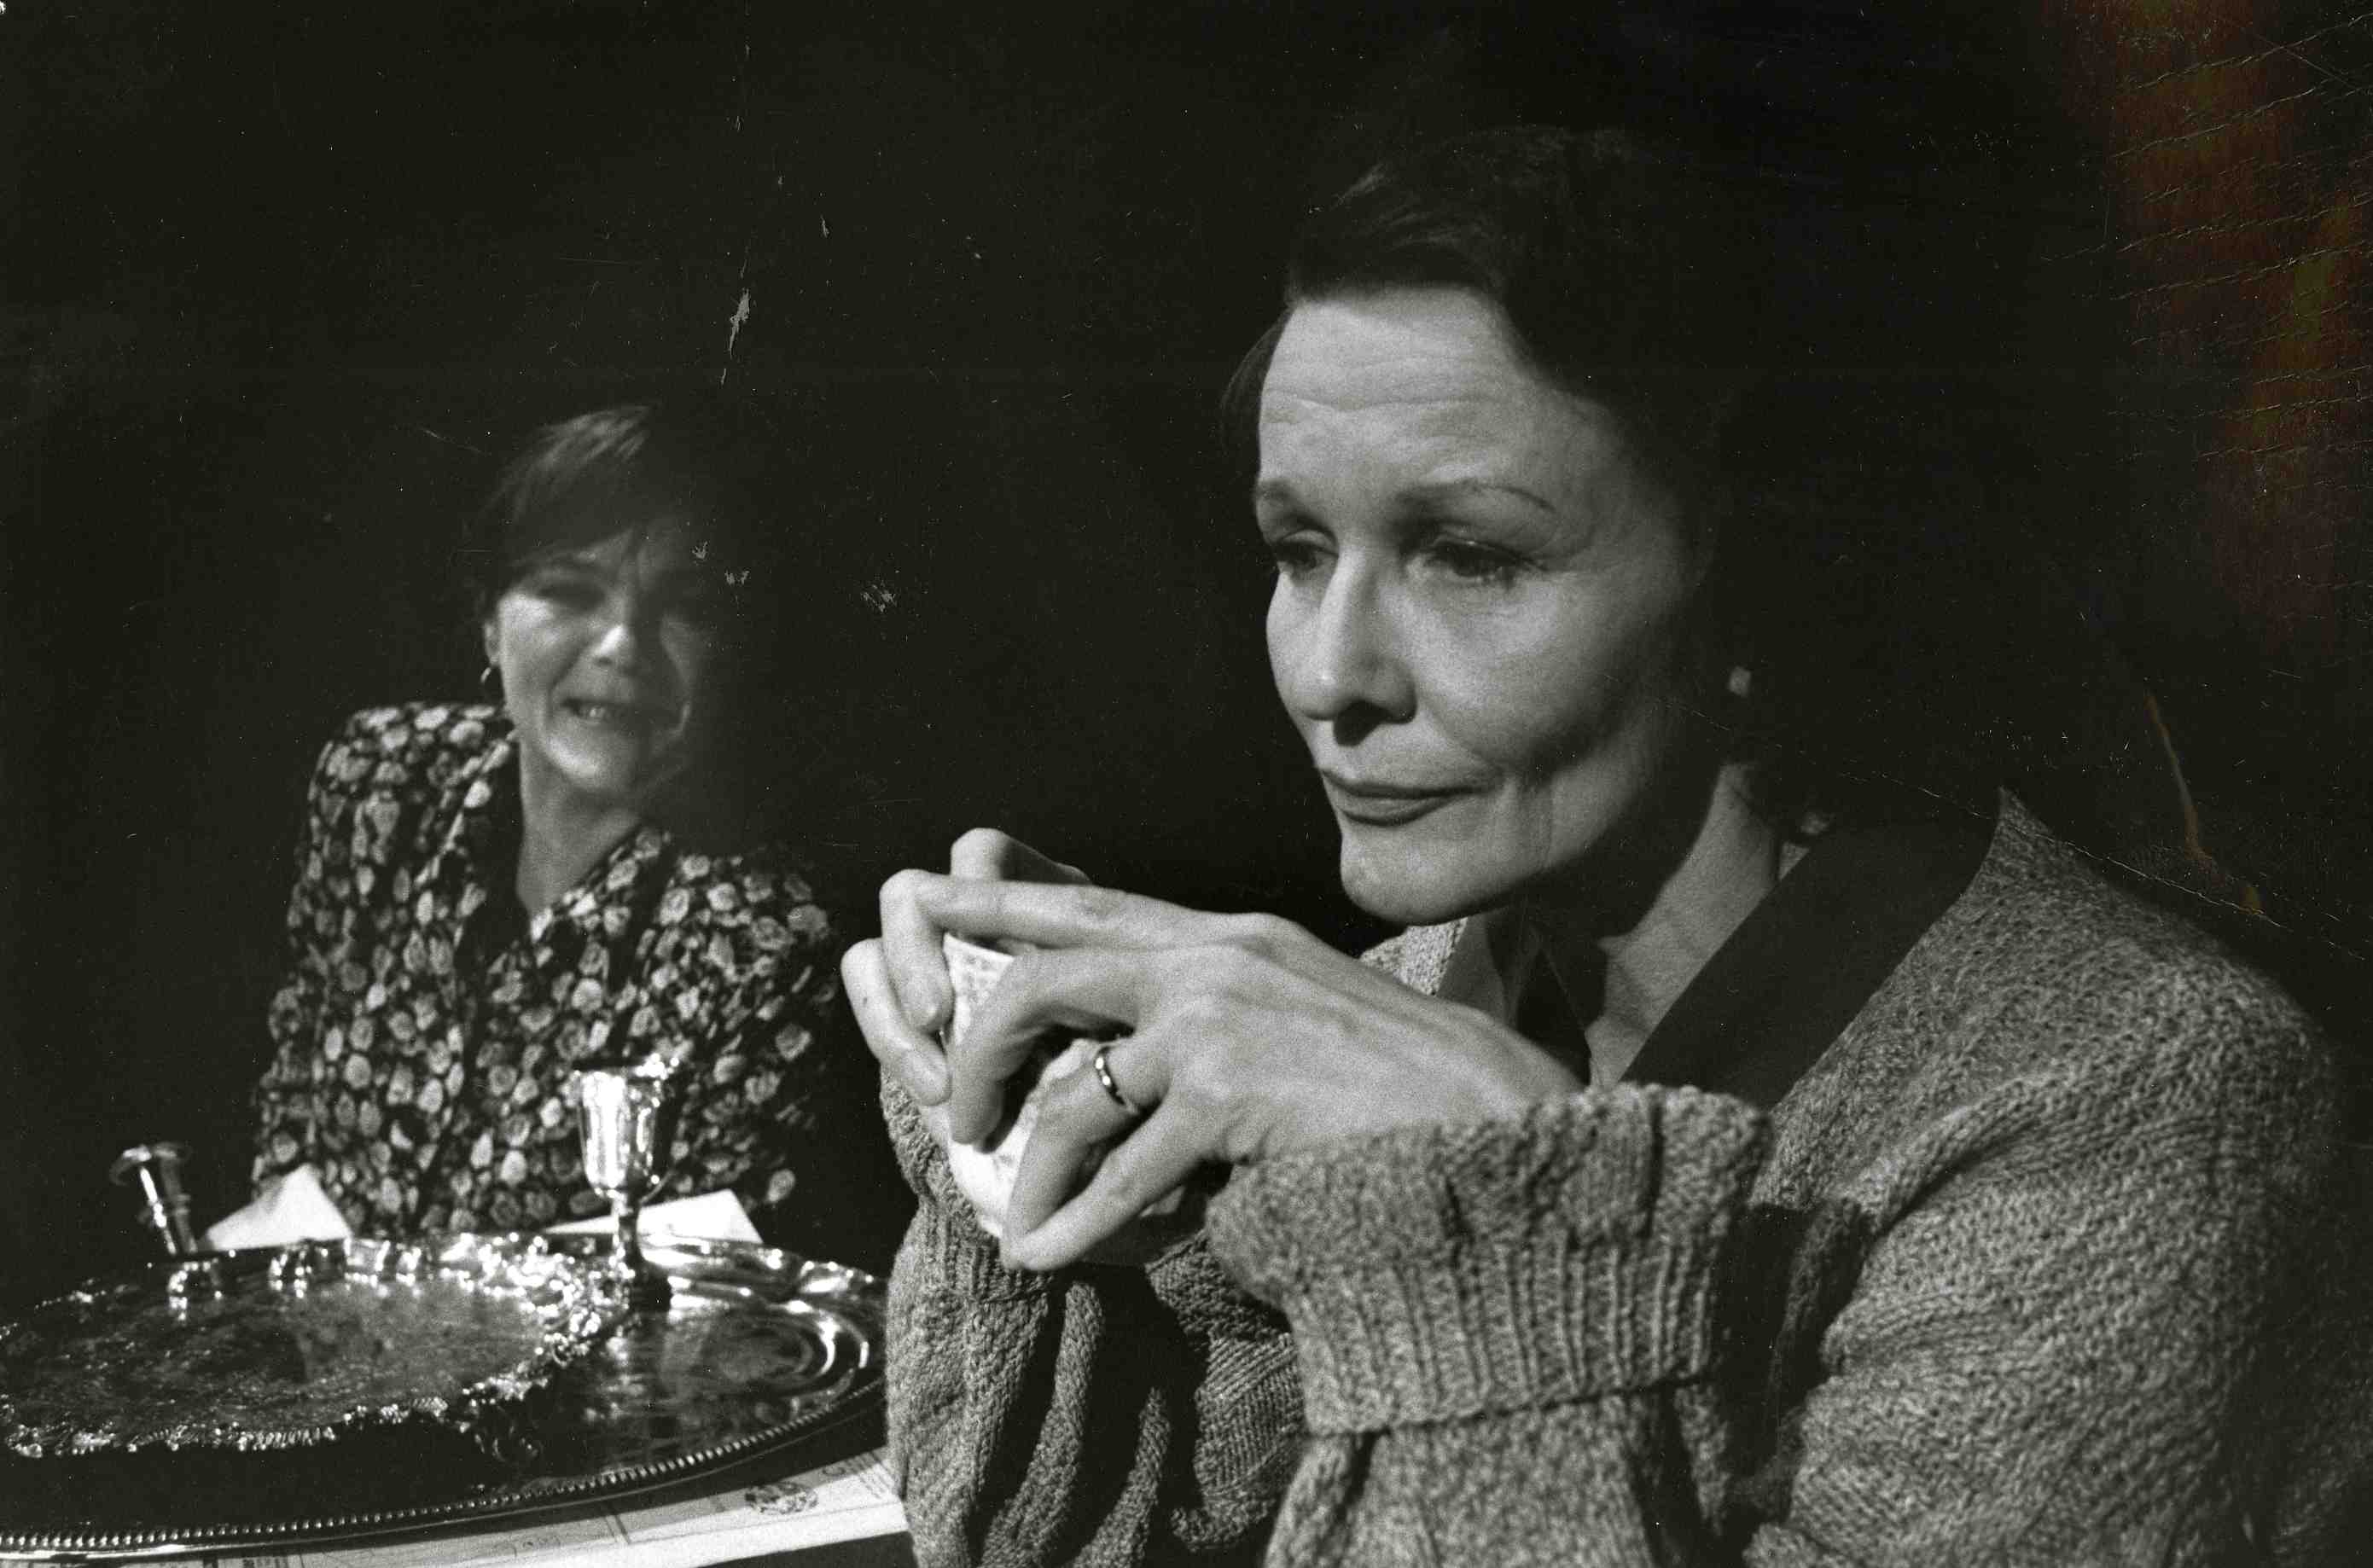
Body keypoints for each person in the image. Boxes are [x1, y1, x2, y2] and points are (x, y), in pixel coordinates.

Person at [843, 129, 2369, 1565]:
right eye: (1299, 549)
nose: (1327, 673)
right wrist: (1018, 1117)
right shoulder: (1422, 987)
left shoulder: (2141, 1105)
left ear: (1754, 586)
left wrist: (1494, 1227)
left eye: (1469, 555)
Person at [249, 400, 905, 1269]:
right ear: (490, 622)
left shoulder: (771, 940)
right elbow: (294, 1097)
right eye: (567, 591)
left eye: (686, 607)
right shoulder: (379, 776)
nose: (623, 643)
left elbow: (674, 1293)